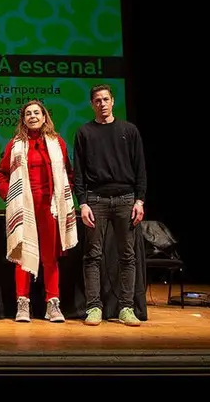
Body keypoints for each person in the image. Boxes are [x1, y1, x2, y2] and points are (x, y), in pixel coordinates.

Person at [0, 100, 77, 323]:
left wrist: (60, 199)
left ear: (44, 117)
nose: (32, 116)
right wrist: (9, 196)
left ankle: (53, 304)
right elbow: (1, 174)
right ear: (23, 119)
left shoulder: (56, 143)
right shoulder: (16, 144)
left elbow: (67, 174)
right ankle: (23, 303)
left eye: (36, 113)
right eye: (28, 114)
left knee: (50, 258)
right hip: (24, 209)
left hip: (50, 209)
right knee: (23, 255)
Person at [74, 84, 147, 327]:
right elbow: (79, 173)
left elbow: (140, 169)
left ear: (113, 101)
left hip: (126, 199)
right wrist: (82, 203)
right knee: (92, 255)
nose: (102, 104)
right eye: (97, 100)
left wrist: (140, 200)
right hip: (96, 200)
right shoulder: (84, 132)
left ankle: (126, 307)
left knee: (127, 256)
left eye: (106, 99)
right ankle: (94, 307)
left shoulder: (129, 130)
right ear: (91, 104)